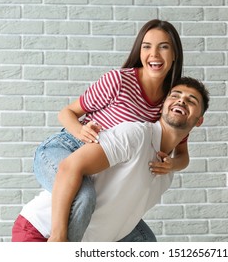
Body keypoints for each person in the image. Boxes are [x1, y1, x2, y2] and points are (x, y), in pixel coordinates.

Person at [30, 19, 188, 242]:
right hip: (65, 150)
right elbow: (67, 112)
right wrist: (79, 130)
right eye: (147, 46)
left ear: (174, 54)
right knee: (84, 198)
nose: (154, 54)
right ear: (139, 51)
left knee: (145, 240)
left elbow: (182, 154)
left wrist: (172, 164)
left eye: (163, 46)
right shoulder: (118, 81)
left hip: (100, 174)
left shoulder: (171, 102)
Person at [11, 77, 209, 242]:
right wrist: (58, 239)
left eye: (191, 100)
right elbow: (69, 166)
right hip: (41, 232)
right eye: (175, 96)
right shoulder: (135, 135)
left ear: (199, 120)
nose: (181, 101)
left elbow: (118, 221)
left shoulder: (166, 175)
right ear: (163, 105)